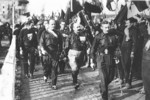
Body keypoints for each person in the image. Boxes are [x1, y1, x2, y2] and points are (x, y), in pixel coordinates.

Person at [90, 20, 118, 100]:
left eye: (108, 27)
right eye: (105, 27)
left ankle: (102, 86)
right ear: (102, 28)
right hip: (101, 59)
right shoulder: (98, 37)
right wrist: (92, 61)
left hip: (110, 58)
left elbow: (116, 47)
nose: (107, 29)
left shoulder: (113, 36)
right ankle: (105, 97)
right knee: (103, 78)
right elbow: (93, 49)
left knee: (111, 77)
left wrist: (116, 56)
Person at [40, 19, 62, 90]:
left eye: (54, 24)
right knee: (47, 67)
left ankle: (54, 84)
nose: (53, 25)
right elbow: (41, 42)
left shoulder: (58, 33)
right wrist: (43, 50)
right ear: (49, 25)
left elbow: (61, 43)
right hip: (46, 53)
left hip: (55, 53)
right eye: (52, 24)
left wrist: (60, 52)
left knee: (54, 69)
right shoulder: (44, 33)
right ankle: (45, 74)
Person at [65, 22, 87, 89]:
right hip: (72, 53)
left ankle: (75, 78)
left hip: (80, 54)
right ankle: (75, 82)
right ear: (73, 28)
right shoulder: (70, 36)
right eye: (77, 27)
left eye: (79, 27)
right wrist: (65, 55)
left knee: (77, 68)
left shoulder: (83, 35)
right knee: (74, 67)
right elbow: (66, 46)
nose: (78, 28)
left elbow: (85, 45)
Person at [121, 18, 136, 89]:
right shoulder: (125, 29)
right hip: (123, 50)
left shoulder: (134, 30)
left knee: (128, 66)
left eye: (127, 23)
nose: (126, 24)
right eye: (126, 23)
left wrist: (133, 51)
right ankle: (126, 80)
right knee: (124, 65)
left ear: (131, 23)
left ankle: (128, 83)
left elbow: (135, 42)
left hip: (129, 50)